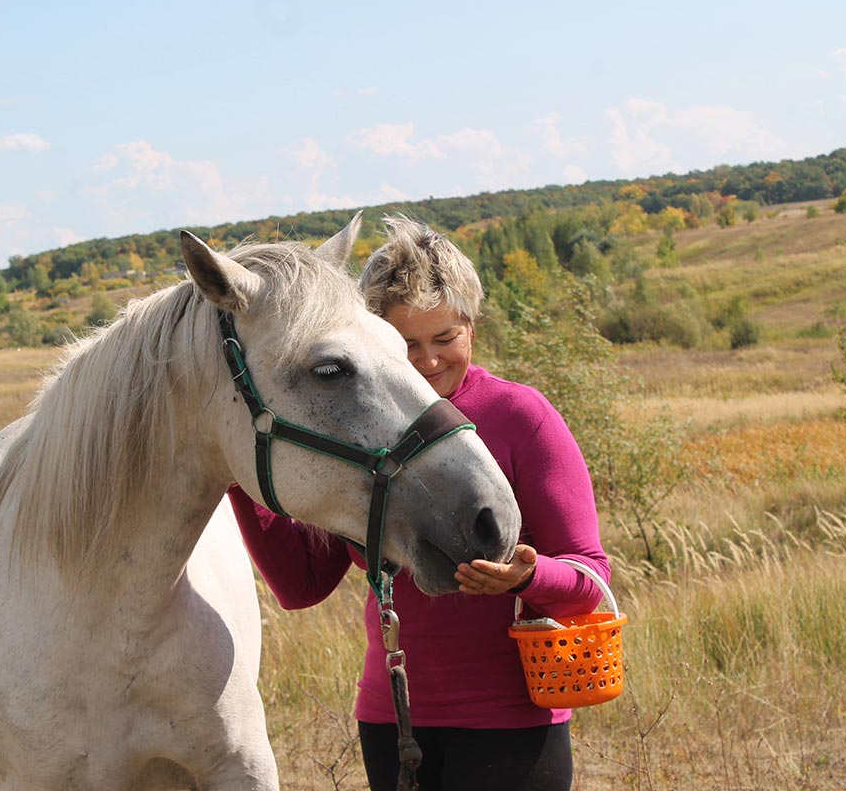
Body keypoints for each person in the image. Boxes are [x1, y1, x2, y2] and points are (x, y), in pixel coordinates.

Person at [227, 215, 610, 791]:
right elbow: (302, 585)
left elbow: (593, 578)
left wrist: (526, 579)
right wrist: (236, 468)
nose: (428, 362)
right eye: (406, 345)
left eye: (445, 339)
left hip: (513, 724)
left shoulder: (521, 417)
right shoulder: (358, 429)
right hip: (392, 720)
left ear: (471, 328)